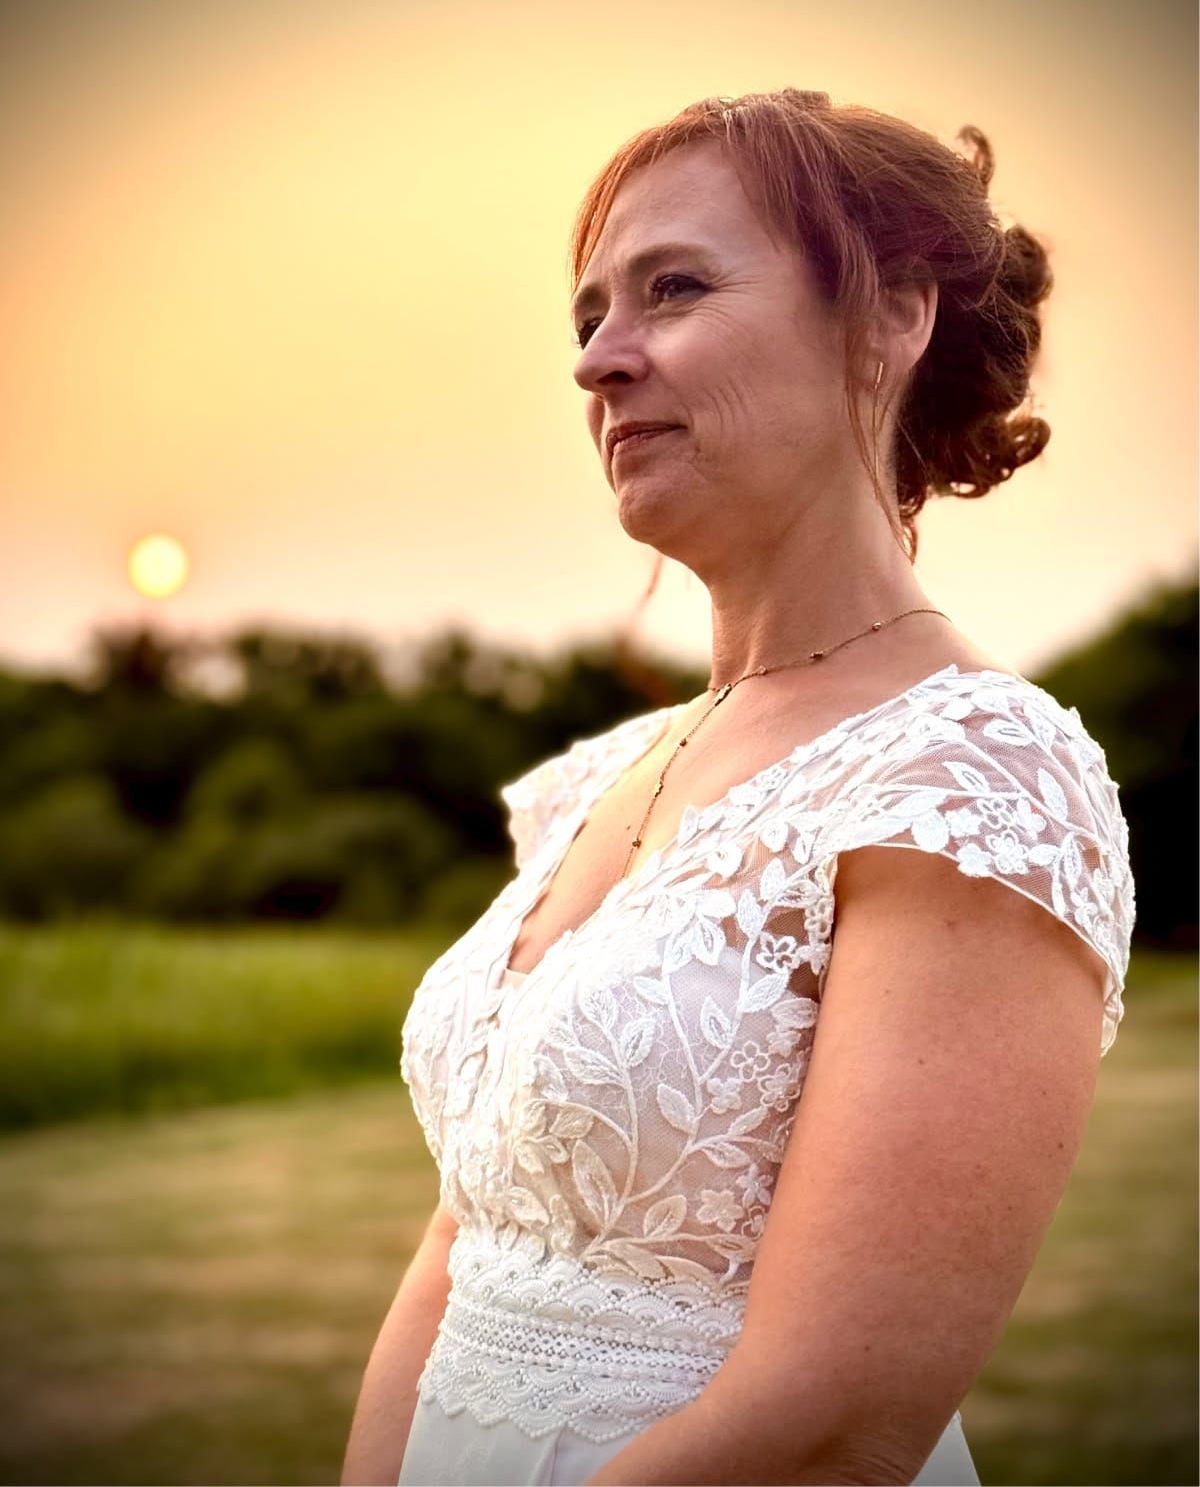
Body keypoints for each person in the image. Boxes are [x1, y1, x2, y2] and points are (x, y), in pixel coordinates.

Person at [341, 89, 1136, 1486]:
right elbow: (466, 1241)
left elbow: (833, 1427)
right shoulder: (597, 781)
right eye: (586, 318)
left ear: (892, 317)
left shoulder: (970, 782)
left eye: (675, 289)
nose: (600, 362)